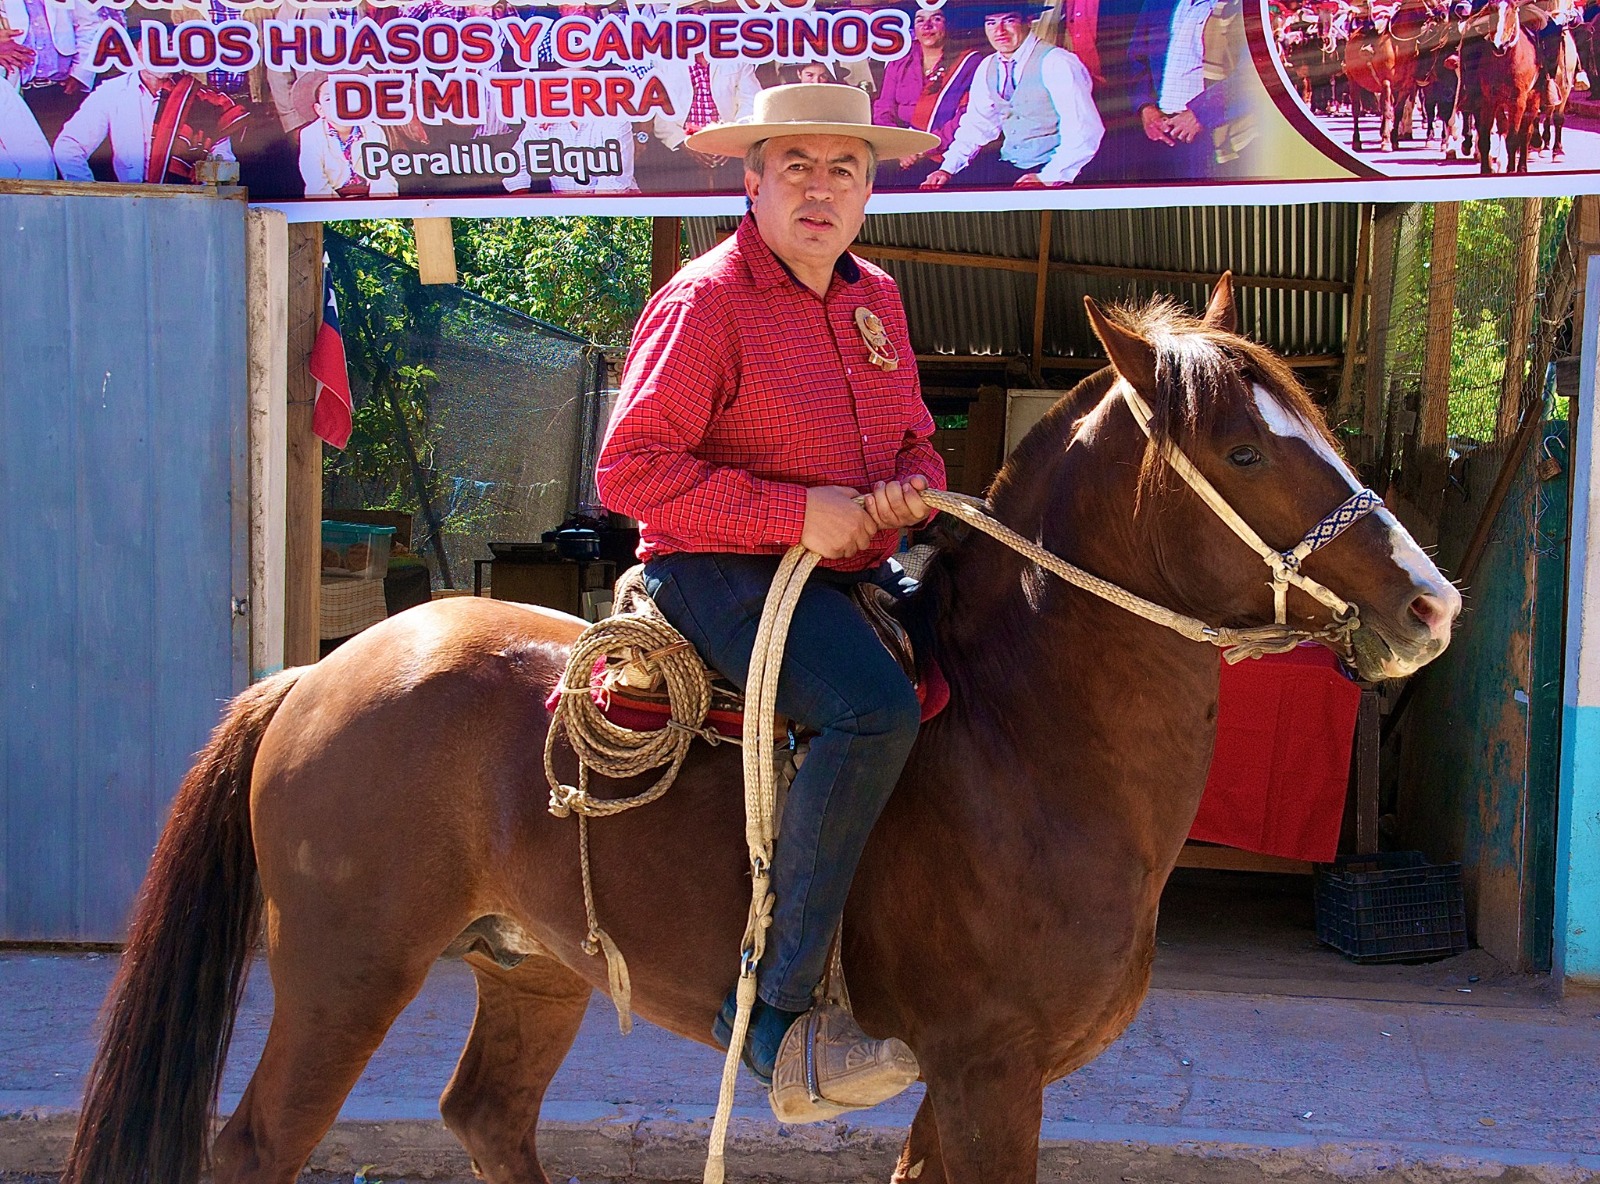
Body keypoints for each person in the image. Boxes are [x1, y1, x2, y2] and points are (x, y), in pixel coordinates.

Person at [594, 83, 942, 1101]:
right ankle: (775, 1010)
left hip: (849, 567)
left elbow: (910, 429)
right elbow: (630, 474)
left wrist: (912, 474)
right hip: (712, 568)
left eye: (844, 168)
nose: (820, 188)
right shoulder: (706, 299)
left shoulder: (876, 296)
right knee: (872, 713)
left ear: (870, 188)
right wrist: (795, 514)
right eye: (797, 165)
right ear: (753, 180)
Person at [921, 0, 1103, 189]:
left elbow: (1085, 131)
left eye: (1008, 21)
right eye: (991, 23)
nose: (999, 31)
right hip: (1011, 165)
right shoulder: (987, 66)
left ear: (1028, 21)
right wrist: (947, 169)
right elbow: (978, 125)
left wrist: (1048, 177)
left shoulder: (1057, 62)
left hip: (1058, 171)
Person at [54, 58, 245, 184]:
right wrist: (92, 195)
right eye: (154, 47)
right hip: (130, 206)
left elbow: (224, 160)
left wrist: (204, 198)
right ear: (137, 50)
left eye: (170, 47)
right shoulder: (112, 91)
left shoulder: (203, 98)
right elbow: (69, 146)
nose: (163, 55)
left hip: (188, 206)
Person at [872, 5, 982, 185]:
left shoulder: (969, 62)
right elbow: (884, 107)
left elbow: (966, 115)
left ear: (948, 25)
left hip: (945, 153)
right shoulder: (899, 59)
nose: (927, 26)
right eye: (920, 20)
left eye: (936, 19)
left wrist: (927, 146)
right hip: (901, 152)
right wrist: (899, 147)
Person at [1127, 0, 1237, 178]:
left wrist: (1201, 113)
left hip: (1213, 135)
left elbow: (1254, 76)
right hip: (1160, 133)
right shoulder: (1156, 3)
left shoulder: (1240, 5)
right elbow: (1137, 58)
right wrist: (1145, 107)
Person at [0, 0, 104, 144]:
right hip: (11, 91)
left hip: (64, 88)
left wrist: (81, 72)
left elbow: (90, 24)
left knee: (69, 150)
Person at [295, 75, 397, 199]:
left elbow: (383, 176)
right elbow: (316, 182)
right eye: (329, 99)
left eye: (345, 95)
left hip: (370, 197)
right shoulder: (310, 134)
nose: (339, 103)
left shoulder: (373, 130)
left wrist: (376, 204)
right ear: (319, 109)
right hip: (331, 200)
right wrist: (340, 208)